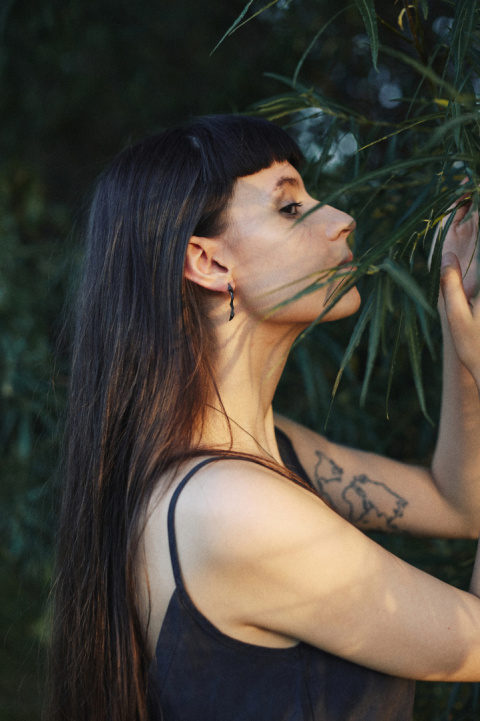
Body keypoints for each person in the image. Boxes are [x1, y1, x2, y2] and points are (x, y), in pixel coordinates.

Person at [49, 115, 480, 721]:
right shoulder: (232, 508)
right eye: (289, 207)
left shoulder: (265, 454)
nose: (341, 219)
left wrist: (461, 323)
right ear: (208, 262)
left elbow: (459, 504)